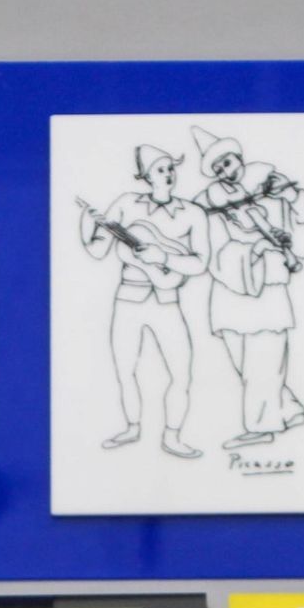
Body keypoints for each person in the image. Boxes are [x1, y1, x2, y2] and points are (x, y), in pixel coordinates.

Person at [191, 125, 304, 450]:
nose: (226, 172)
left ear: (238, 157)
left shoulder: (268, 180)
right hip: (230, 287)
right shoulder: (209, 203)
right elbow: (213, 249)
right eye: (218, 168)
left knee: (264, 360)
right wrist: (254, 249)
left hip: (269, 285)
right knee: (243, 361)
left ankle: (261, 427)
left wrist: (290, 195)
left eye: (228, 162)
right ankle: (288, 409)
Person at [79, 145, 211, 458]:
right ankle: (132, 427)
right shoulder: (126, 204)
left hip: (168, 300)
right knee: (125, 369)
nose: (168, 174)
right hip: (129, 299)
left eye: (171, 167)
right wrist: (86, 224)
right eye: (160, 169)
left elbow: (200, 263)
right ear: (146, 176)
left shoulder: (193, 212)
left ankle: (173, 436)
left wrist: (162, 257)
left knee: (181, 373)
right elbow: (98, 250)